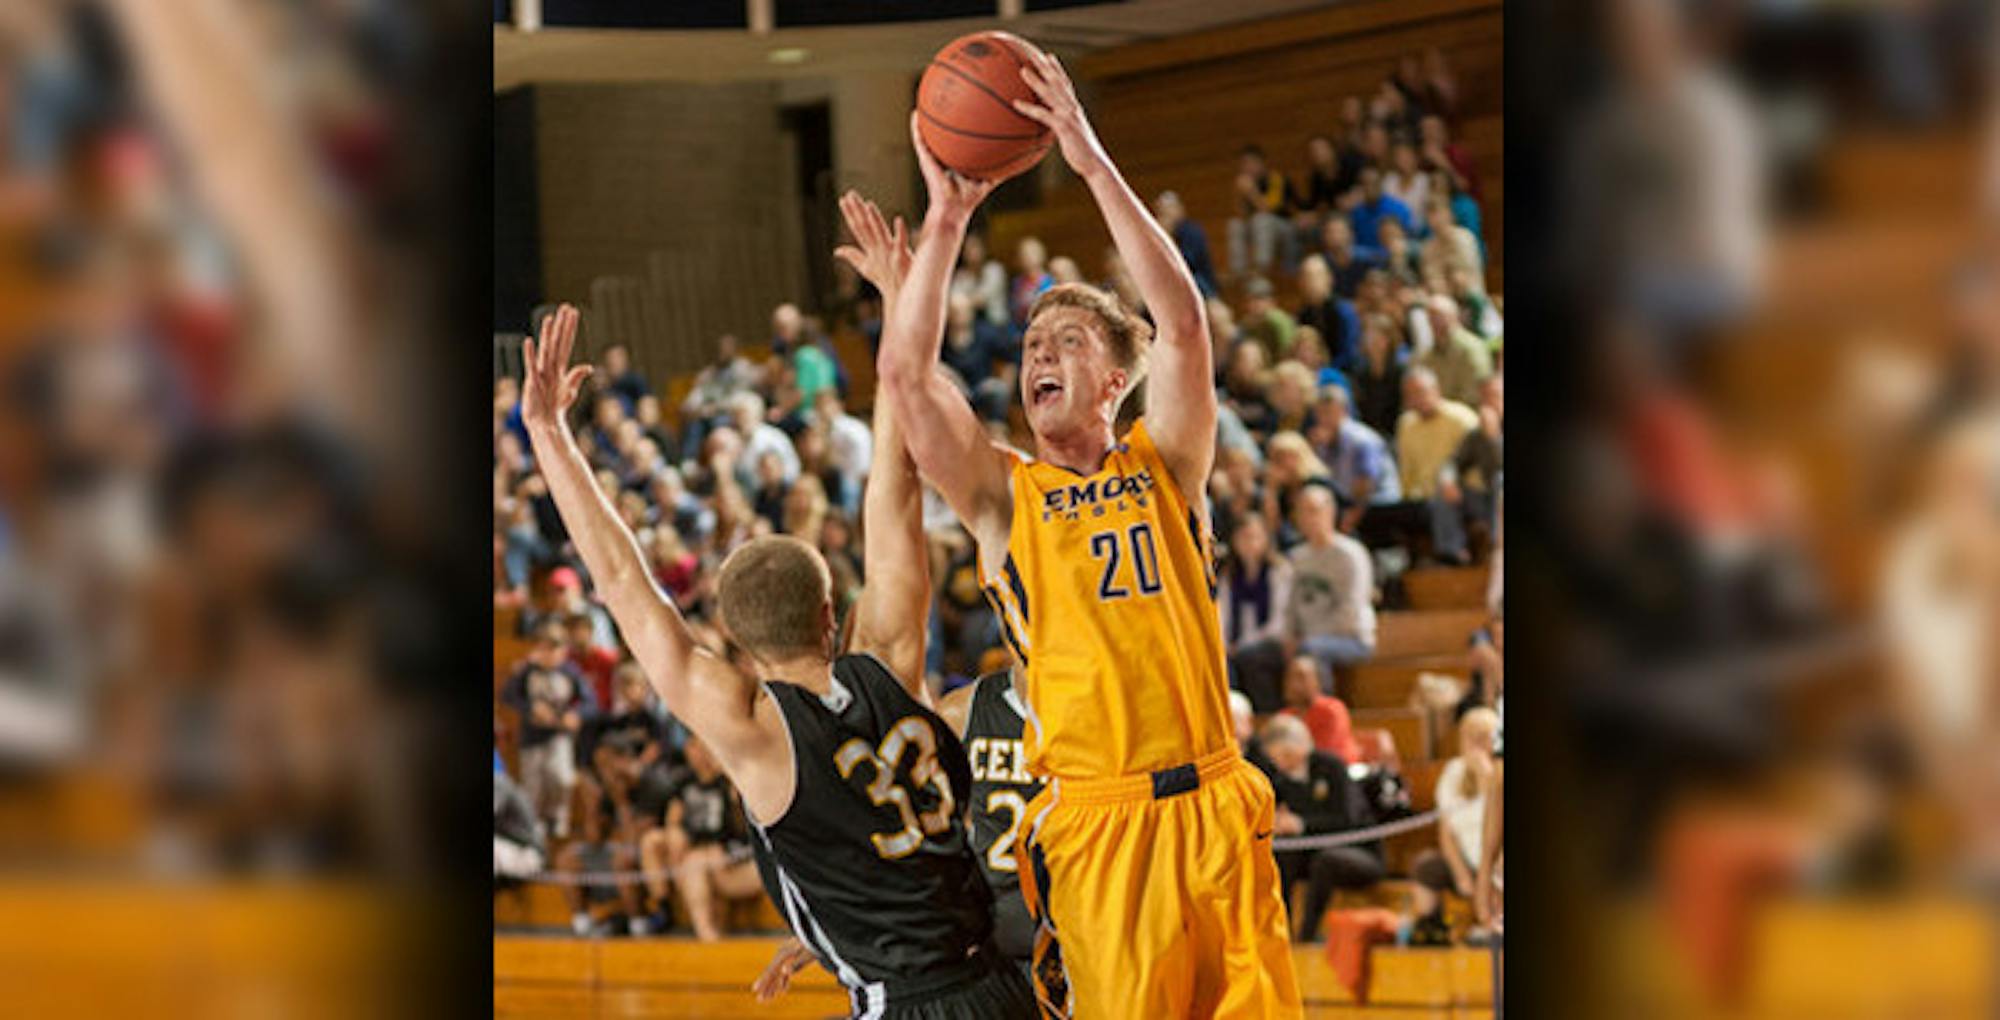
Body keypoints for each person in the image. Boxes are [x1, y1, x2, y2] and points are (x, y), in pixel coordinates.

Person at [522, 189, 1034, 1015]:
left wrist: (549, 435)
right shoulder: (888, 662)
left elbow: (624, 586)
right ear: (831, 613)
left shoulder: (756, 731)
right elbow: (894, 487)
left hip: (907, 1000)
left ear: (735, 638)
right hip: (998, 985)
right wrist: (903, 314)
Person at [877, 45, 1301, 1017]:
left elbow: (1183, 324)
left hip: (1217, 805)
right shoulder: (1001, 496)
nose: (1041, 353)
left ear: (1115, 379)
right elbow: (906, 383)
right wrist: (946, 221)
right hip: (1099, 823)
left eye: (1068, 340)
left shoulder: (1166, 465)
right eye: (1031, 344)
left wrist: (1083, 152)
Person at [1258, 715, 1385, 943]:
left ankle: (1307, 936)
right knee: (1280, 857)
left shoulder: (1331, 767)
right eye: (1277, 759)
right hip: (1313, 852)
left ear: (1302, 744)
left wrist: (1302, 824)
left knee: (1325, 862)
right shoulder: (1280, 781)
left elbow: (1347, 820)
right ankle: (1279, 933)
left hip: (1358, 852)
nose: (1282, 764)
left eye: (1286, 755)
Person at [659, 736, 763, 943]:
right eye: (693, 748)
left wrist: (725, 767)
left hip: (739, 860)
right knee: (693, 861)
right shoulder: (684, 783)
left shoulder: (729, 781)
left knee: (698, 862)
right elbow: (672, 821)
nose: (699, 753)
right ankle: (674, 917)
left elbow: (744, 812)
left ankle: (706, 934)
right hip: (702, 859)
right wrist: (675, 833)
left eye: (703, 747)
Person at [500, 621, 597, 838]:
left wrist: (576, 714)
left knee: (562, 778)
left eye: (555, 648)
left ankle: (557, 820)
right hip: (531, 738)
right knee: (533, 786)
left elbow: (591, 703)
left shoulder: (571, 673)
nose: (549, 654)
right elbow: (507, 695)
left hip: (559, 735)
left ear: (564, 650)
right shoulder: (527, 671)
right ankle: (533, 829)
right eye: (544, 648)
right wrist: (530, 708)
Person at [1410, 707, 1499, 942]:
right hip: (1468, 859)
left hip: (1497, 860)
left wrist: (1487, 777)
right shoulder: (1453, 772)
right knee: (1426, 866)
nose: (1476, 744)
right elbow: (1447, 834)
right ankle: (1430, 933)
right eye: (1470, 736)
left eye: (1483, 736)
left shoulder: (1498, 774)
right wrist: (1461, 875)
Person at [1285, 485, 1377, 671]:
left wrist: (1307, 637)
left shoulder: (1351, 554)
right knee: (1256, 655)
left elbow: (1351, 610)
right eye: (1302, 512)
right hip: (1305, 638)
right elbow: (1290, 605)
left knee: (1310, 650)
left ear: (1331, 512)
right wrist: (1288, 636)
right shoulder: (1296, 557)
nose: (1308, 518)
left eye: (1313, 510)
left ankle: (1323, 700)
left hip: (1351, 638)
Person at [1218, 515, 1294, 714]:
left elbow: (1278, 622)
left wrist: (1242, 645)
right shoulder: (1229, 575)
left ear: (1265, 539)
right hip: (1236, 644)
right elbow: (1221, 616)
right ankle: (1233, 717)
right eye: (1243, 537)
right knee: (1221, 663)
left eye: (1254, 537)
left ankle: (1266, 714)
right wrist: (1224, 645)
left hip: (1271, 641)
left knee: (1252, 659)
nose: (1248, 543)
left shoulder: (1278, 571)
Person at [1308, 384, 1401, 535]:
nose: (1323, 418)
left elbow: (1366, 484)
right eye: (1319, 413)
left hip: (1378, 502)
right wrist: (1312, 450)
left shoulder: (1362, 440)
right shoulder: (1322, 441)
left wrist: (1352, 515)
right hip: (1346, 500)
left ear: (1343, 411)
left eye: (1328, 412)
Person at [1228, 143, 1297, 278]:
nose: (1247, 168)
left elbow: (1268, 210)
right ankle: (1238, 271)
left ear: (1261, 163)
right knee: (1234, 224)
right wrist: (1238, 196)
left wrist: (1252, 192)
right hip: (1257, 226)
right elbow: (1241, 216)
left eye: (1251, 163)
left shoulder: (1275, 179)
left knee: (1261, 220)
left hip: (1284, 227)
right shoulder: (1244, 184)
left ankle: (1262, 268)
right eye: (1243, 164)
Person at [1277, 654, 1361, 763]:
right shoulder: (1284, 715)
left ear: (1318, 682)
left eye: (1300, 677)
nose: (1293, 684)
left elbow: (1326, 753)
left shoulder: (1331, 710)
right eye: (1289, 677)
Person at [1154, 190, 1219, 297]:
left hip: (1199, 282)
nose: (1166, 215)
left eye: (1169, 209)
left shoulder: (1193, 231)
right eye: (1161, 212)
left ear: (1180, 210)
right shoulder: (1157, 233)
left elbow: (1187, 264)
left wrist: (1167, 237)